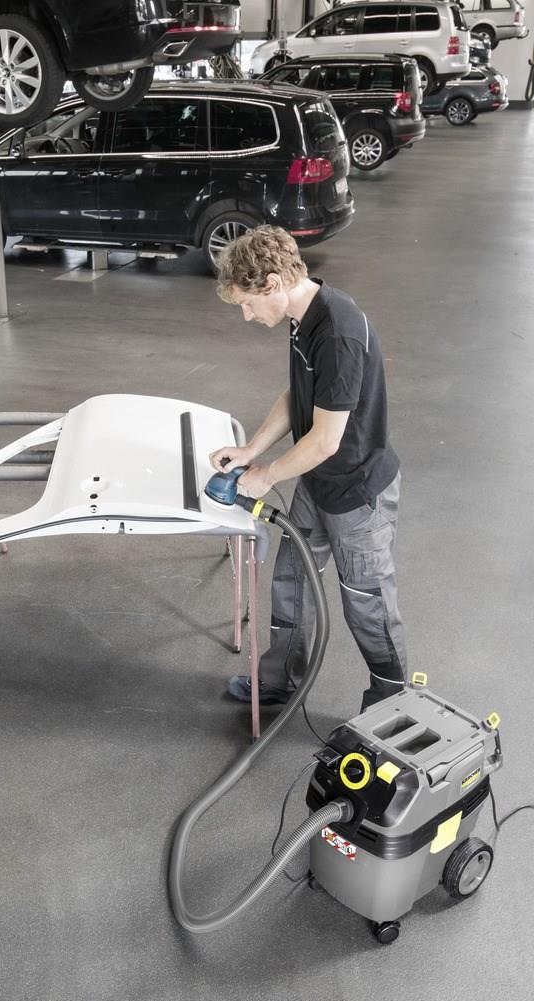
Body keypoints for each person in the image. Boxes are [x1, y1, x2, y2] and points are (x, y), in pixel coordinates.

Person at [208, 226, 408, 712]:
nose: (247, 314)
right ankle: (280, 680)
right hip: (318, 480)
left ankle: (392, 704)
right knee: (292, 578)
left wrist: (268, 476)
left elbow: (325, 440)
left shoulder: (337, 332)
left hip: (356, 493)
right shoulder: (304, 316)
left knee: (367, 602)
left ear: (273, 283)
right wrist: (252, 449)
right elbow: (298, 392)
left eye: (248, 303)